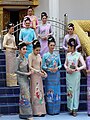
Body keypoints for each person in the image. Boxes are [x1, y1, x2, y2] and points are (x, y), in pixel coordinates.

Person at [64, 38, 86, 116]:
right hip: (69, 74)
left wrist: (77, 68)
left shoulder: (78, 55)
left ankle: (75, 108)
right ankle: (70, 107)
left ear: (73, 47)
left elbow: (84, 65)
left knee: (76, 91)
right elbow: (65, 64)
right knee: (70, 91)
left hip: (76, 75)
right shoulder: (68, 54)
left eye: (69, 47)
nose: (68, 48)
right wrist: (67, 68)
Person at [42, 36, 62, 115]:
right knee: (49, 91)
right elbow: (43, 66)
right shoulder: (45, 55)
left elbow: (60, 65)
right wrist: (49, 69)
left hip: (56, 75)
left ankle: (56, 110)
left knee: (56, 91)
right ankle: (50, 110)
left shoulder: (57, 55)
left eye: (54, 45)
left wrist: (57, 67)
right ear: (48, 45)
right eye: (51, 45)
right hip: (49, 76)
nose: (52, 47)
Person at [28, 39, 47, 116]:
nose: (38, 52)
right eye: (37, 50)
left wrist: (43, 72)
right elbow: (29, 66)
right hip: (34, 75)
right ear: (33, 49)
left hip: (39, 76)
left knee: (40, 91)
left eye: (39, 50)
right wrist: (36, 71)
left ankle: (41, 110)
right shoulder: (30, 55)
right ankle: (35, 111)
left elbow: (40, 66)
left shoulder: (39, 55)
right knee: (34, 92)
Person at [16, 42, 33, 120]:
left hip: (26, 78)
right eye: (23, 49)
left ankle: (24, 113)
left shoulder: (25, 58)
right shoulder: (17, 59)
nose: (25, 50)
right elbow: (15, 70)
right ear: (19, 50)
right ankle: (27, 114)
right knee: (25, 94)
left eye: (26, 49)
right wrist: (26, 73)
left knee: (26, 95)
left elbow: (28, 68)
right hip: (21, 78)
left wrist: (29, 73)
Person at [3, 22, 17, 86]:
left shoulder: (13, 36)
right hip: (8, 52)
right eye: (12, 28)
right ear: (8, 29)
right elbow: (4, 45)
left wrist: (15, 47)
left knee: (13, 67)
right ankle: (10, 82)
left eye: (13, 28)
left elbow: (14, 44)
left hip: (13, 52)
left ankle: (14, 82)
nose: (13, 29)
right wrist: (11, 47)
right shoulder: (6, 36)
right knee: (9, 67)